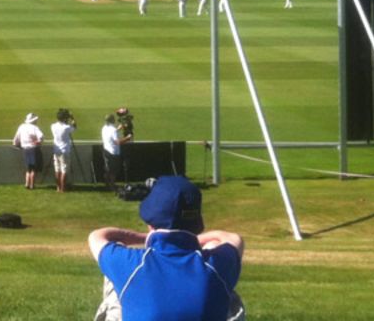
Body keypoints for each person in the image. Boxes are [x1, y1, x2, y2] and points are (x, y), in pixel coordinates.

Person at [88, 175, 244, 321]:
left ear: (150, 223)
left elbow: (97, 236)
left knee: (115, 260)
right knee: (216, 254)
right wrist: (193, 240)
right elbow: (233, 239)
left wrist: (145, 238)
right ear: (197, 225)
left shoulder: (133, 264)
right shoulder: (216, 265)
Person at [12, 112, 45, 189]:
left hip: (25, 149)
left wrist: (17, 145)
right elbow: (41, 137)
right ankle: (32, 185)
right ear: (33, 121)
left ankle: (27, 184)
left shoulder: (21, 127)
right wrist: (37, 142)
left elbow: (15, 140)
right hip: (34, 149)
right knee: (33, 168)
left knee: (28, 168)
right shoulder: (34, 128)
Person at [50, 109, 76, 192]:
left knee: (57, 169)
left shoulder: (53, 126)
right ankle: (63, 188)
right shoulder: (66, 127)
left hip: (56, 150)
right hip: (64, 151)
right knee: (64, 170)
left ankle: (58, 188)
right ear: (64, 118)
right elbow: (74, 127)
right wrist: (72, 119)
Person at [100, 114, 122, 188]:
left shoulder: (104, 128)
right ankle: (112, 184)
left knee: (108, 168)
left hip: (106, 150)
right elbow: (117, 142)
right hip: (113, 152)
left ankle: (107, 183)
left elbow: (110, 134)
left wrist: (117, 129)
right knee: (113, 170)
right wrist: (127, 138)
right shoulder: (113, 130)